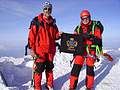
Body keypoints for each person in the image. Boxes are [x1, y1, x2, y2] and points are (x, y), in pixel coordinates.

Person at [28, 1, 61, 90]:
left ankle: (49, 85)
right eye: (45, 8)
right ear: (43, 10)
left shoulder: (53, 23)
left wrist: (59, 35)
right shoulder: (36, 22)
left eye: (49, 9)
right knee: (39, 69)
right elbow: (31, 37)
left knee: (49, 68)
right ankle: (37, 87)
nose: (47, 10)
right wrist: (31, 49)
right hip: (40, 51)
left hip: (50, 50)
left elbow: (55, 36)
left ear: (51, 10)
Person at [69, 10, 104, 90]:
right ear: (81, 19)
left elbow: (99, 40)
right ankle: (72, 87)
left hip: (91, 51)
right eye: (83, 18)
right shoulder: (78, 28)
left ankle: (89, 87)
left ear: (89, 17)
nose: (85, 20)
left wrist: (90, 37)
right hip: (80, 51)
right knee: (75, 69)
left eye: (86, 18)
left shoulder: (95, 27)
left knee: (90, 70)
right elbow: (74, 39)